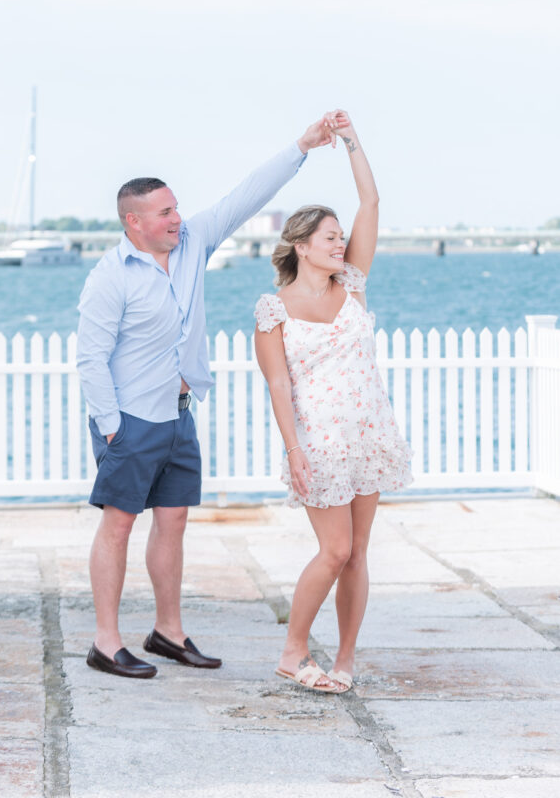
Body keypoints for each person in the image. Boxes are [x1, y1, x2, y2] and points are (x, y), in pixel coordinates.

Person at [76, 116, 340, 679]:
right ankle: (105, 641)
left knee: (172, 522)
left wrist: (303, 146)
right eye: (166, 212)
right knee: (119, 525)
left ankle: (168, 633)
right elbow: (90, 358)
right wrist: (111, 426)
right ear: (135, 221)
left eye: (176, 209)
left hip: (178, 413)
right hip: (130, 419)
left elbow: (246, 195)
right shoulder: (109, 277)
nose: (178, 218)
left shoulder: (194, 243)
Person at [254, 111, 413, 694]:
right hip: (318, 442)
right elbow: (277, 386)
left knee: (359, 552)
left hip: (368, 434)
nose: (340, 241)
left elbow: (370, 202)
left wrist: (350, 142)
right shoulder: (273, 311)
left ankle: (344, 659)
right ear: (300, 245)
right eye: (329, 236)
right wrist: (293, 449)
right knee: (335, 549)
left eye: (340, 235)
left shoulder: (353, 285)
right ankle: (293, 652)